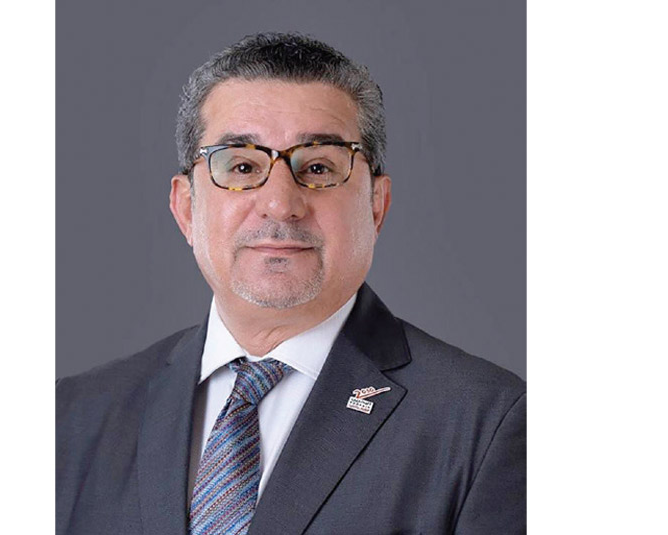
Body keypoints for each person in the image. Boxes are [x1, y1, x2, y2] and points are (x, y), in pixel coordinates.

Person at [57, 32, 525, 535]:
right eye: (242, 167)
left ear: (376, 205)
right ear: (186, 208)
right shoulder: (71, 420)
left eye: (318, 167)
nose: (280, 204)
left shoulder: (486, 422)